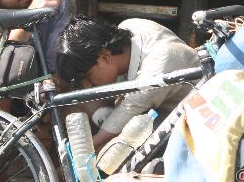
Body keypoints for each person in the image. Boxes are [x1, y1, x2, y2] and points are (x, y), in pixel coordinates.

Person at [56, 16, 199, 149]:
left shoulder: (155, 72)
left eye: (87, 76)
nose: (87, 85)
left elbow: (110, 131)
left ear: (105, 56)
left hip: (196, 127)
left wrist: (76, 158)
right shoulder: (128, 28)